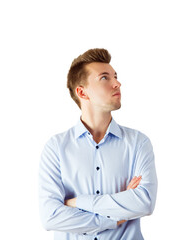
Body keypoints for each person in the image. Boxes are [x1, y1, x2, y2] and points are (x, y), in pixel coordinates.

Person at [39, 48, 158, 240]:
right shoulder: (56, 148)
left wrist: (76, 203)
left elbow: (144, 203)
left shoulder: (138, 143)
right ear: (82, 92)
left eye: (115, 76)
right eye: (105, 78)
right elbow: (51, 216)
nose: (117, 83)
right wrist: (115, 217)